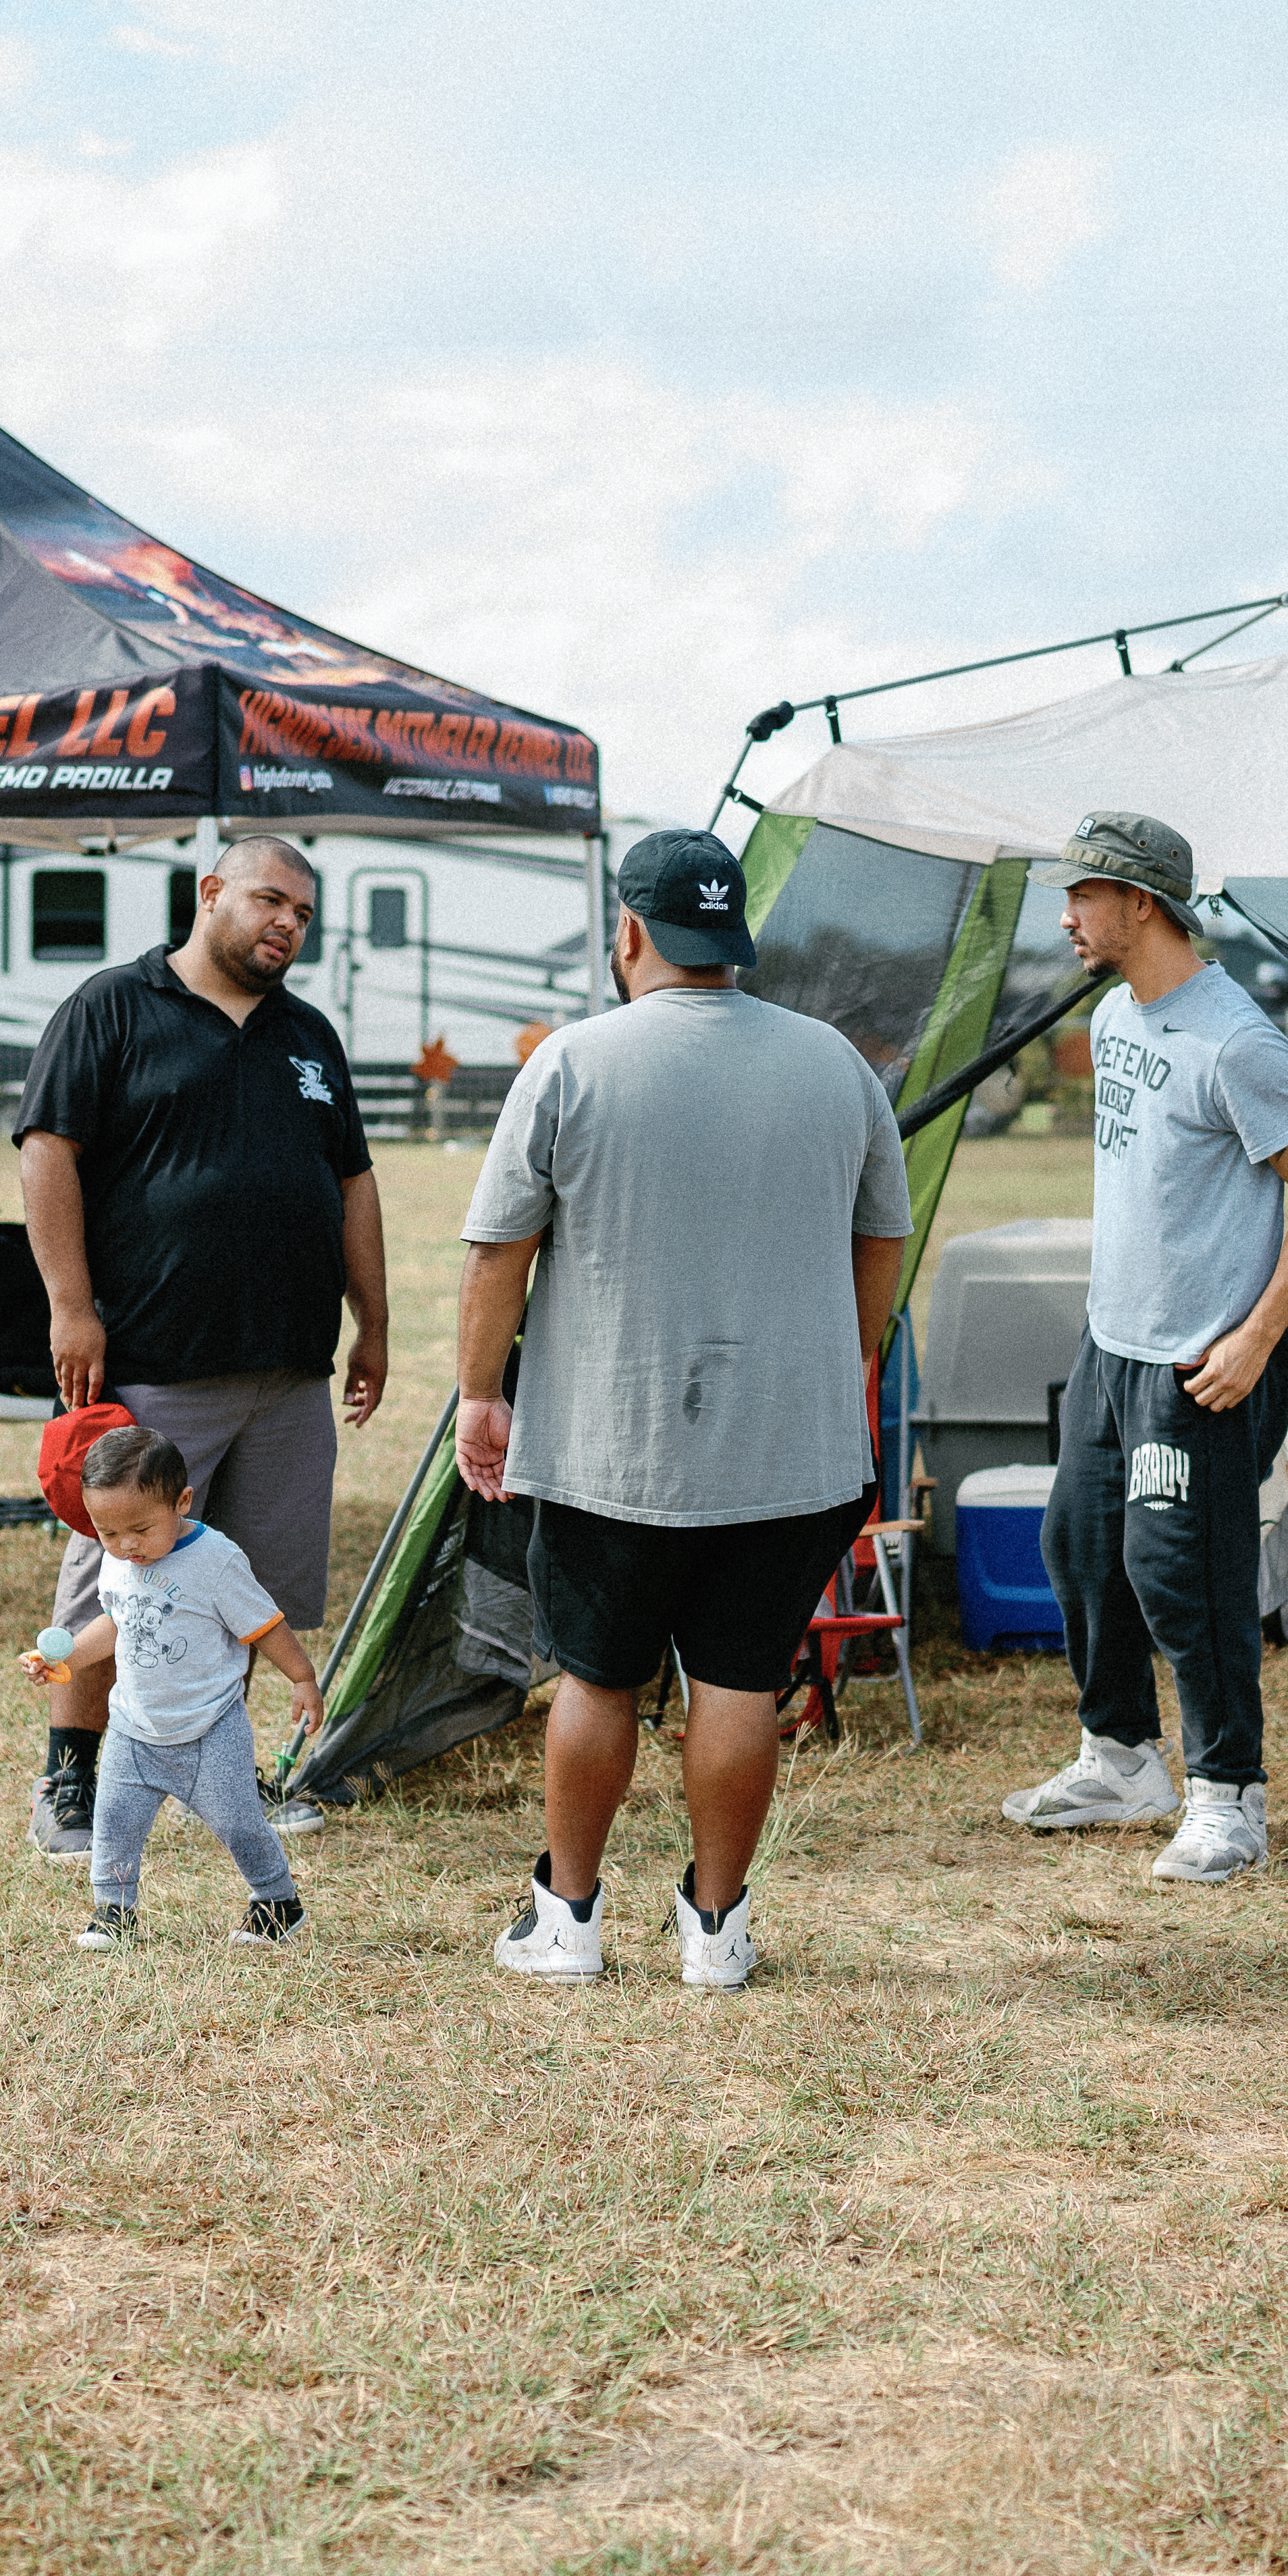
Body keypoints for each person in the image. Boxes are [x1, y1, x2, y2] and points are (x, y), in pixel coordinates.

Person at [455, 826, 912, 1989]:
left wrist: (479, 1393)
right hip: (789, 1446)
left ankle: (567, 1922)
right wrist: (843, 1361)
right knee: (740, 1681)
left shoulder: (570, 1061)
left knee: (596, 1678)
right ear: (733, 934)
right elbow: (881, 1238)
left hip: (610, 1446)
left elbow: (499, 1250)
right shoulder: (837, 1064)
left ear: (629, 932)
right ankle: (716, 1931)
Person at [14, 834, 387, 1859]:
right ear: (211, 891)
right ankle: (70, 1781)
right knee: (116, 1577)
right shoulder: (112, 1008)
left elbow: (352, 1182)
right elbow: (47, 1151)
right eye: (270, 901)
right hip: (154, 1359)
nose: (287, 926)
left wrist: (373, 1322)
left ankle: (220, 1773)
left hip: (288, 1367)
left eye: (303, 915)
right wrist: (71, 1305)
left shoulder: (308, 1034)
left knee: (239, 1590)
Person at [1001, 811, 1288, 1881]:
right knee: (1078, 1550)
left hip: (1202, 1365)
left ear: (1140, 903)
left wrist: (1255, 1338)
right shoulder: (1116, 1014)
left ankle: (1228, 1798)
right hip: (1111, 1346)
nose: (1065, 916)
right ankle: (1119, 1760)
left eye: (1082, 896)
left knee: (1181, 1577)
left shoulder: (1236, 1043)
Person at [23, 1424, 322, 1948]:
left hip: (209, 1729)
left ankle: (278, 1902)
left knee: (239, 1824)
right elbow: (114, 1623)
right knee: (114, 1825)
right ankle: (113, 1912)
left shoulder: (215, 1560)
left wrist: (302, 1677)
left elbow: (264, 1625)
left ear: (181, 1502)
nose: (126, 1545)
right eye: (108, 1533)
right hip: (134, 1729)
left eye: (140, 1528)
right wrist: (65, 1657)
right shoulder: (118, 1563)